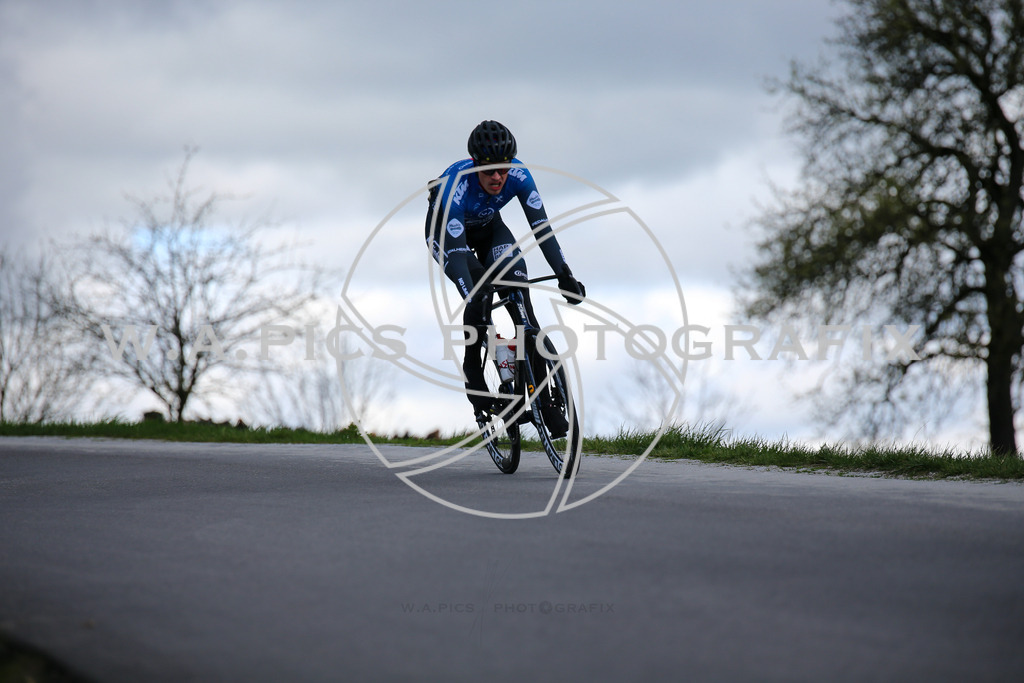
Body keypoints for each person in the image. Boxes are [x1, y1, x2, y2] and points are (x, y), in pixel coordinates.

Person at [425, 120, 585, 434]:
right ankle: (475, 374)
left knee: (523, 305)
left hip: (488, 228)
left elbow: (542, 229)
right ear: (474, 167)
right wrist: (477, 297)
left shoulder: (520, 175)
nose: (498, 177)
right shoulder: (456, 184)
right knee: (479, 300)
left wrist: (565, 274)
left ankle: (546, 402)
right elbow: (456, 253)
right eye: (489, 172)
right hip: (448, 236)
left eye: (504, 169)